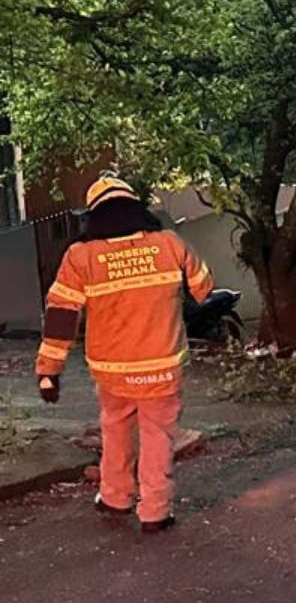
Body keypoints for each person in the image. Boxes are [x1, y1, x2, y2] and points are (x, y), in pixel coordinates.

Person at [35, 174, 216, 533]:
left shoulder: (81, 255)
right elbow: (203, 288)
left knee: (115, 429)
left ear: (95, 215)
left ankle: (116, 496)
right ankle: (155, 511)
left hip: (111, 370)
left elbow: (60, 315)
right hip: (162, 366)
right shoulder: (169, 243)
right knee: (157, 437)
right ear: (136, 208)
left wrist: (48, 370)